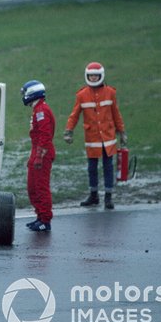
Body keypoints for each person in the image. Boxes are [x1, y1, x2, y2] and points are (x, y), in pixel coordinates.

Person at [64, 62, 127, 209]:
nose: (93, 78)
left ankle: (108, 197)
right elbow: (74, 115)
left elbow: (116, 114)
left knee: (108, 166)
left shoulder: (110, 92)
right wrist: (69, 131)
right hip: (92, 138)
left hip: (108, 138)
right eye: (90, 76)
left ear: (101, 76)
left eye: (95, 76)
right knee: (92, 168)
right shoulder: (81, 95)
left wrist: (122, 131)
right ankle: (93, 195)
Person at [21, 80, 55, 232]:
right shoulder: (37, 109)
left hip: (42, 152)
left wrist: (39, 156)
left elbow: (45, 135)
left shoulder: (41, 110)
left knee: (41, 187)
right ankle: (40, 216)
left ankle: (45, 220)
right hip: (36, 151)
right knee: (32, 187)